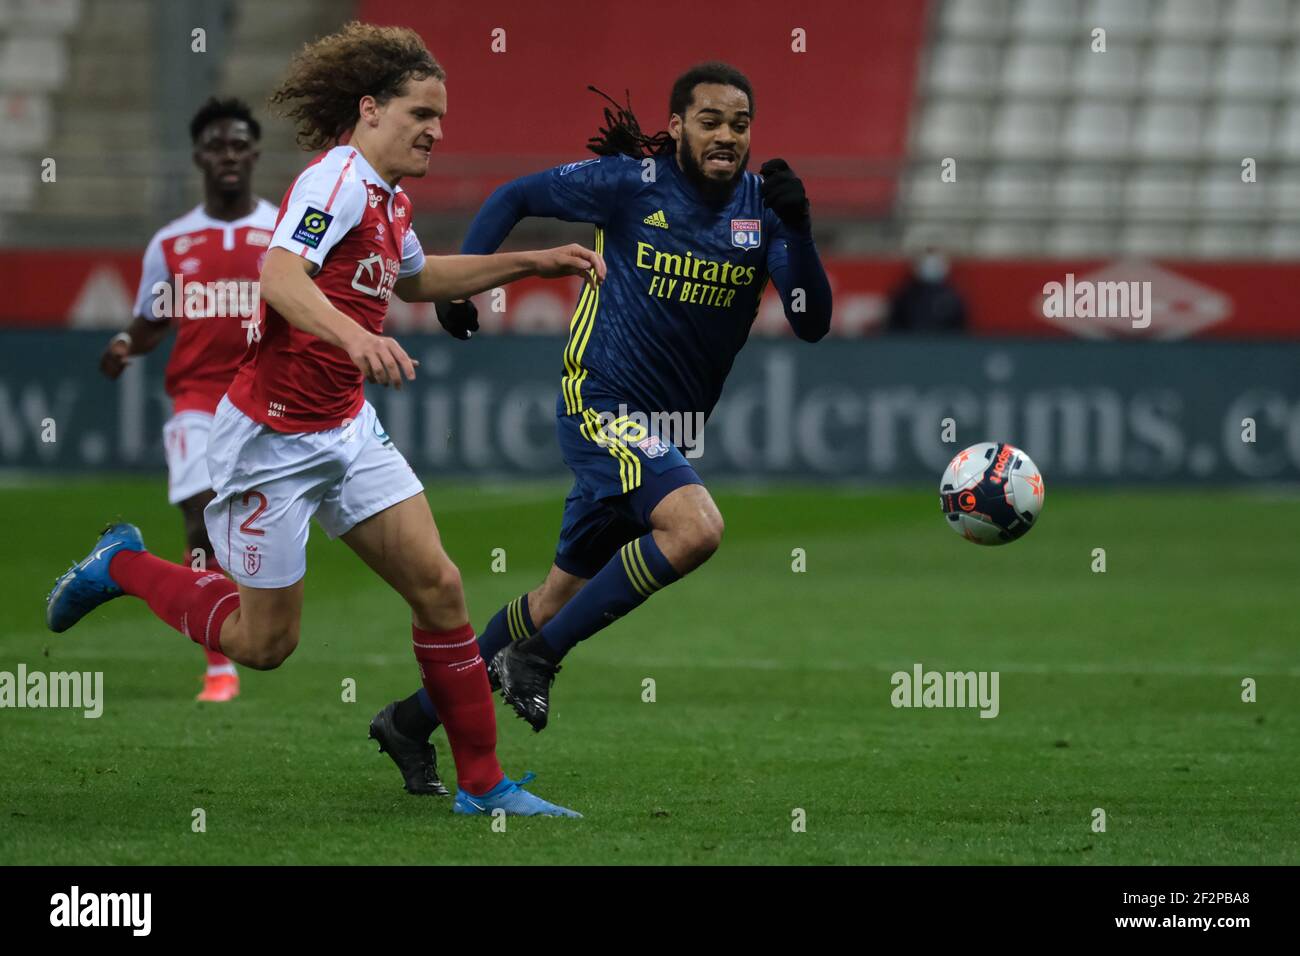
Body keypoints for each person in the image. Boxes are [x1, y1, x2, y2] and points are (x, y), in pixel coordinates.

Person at [47, 21, 606, 817]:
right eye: (421, 115)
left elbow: (417, 280)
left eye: (441, 120)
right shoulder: (335, 181)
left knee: (441, 588)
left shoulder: (389, 200)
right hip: (269, 441)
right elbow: (279, 274)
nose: (436, 132)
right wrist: (353, 334)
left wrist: (533, 260)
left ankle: (484, 786)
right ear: (371, 109)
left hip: (343, 428)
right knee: (264, 645)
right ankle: (122, 567)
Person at [371, 61, 832, 791]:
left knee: (552, 601)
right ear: (677, 126)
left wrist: (801, 232)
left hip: (667, 428)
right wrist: (463, 281)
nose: (726, 136)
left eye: (740, 125)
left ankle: (407, 722)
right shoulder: (630, 184)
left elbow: (809, 324)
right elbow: (518, 193)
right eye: (709, 121)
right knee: (697, 528)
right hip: (601, 400)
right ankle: (539, 660)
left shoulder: (764, 210)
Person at [98, 96, 277, 703]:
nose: (228, 155)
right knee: (201, 514)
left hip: (266, 397)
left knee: (252, 524)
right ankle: (219, 662)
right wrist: (127, 342)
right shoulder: (172, 243)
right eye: (216, 145)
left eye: (238, 144)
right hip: (199, 398)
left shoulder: (282, 229)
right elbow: (152, 318)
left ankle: (252, 623)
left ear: (253, 152)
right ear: (200, 156)